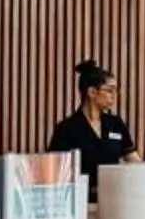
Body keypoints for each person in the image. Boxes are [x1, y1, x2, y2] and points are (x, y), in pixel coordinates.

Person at [49, 58, 139, 192]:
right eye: (109, 90)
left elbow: (135, 162)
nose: (114, 95)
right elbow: (55, 172)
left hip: (113, 198)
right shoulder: (66, 129)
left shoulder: (116, 124)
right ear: (91, 92)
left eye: (116, 90)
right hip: (80, 201)